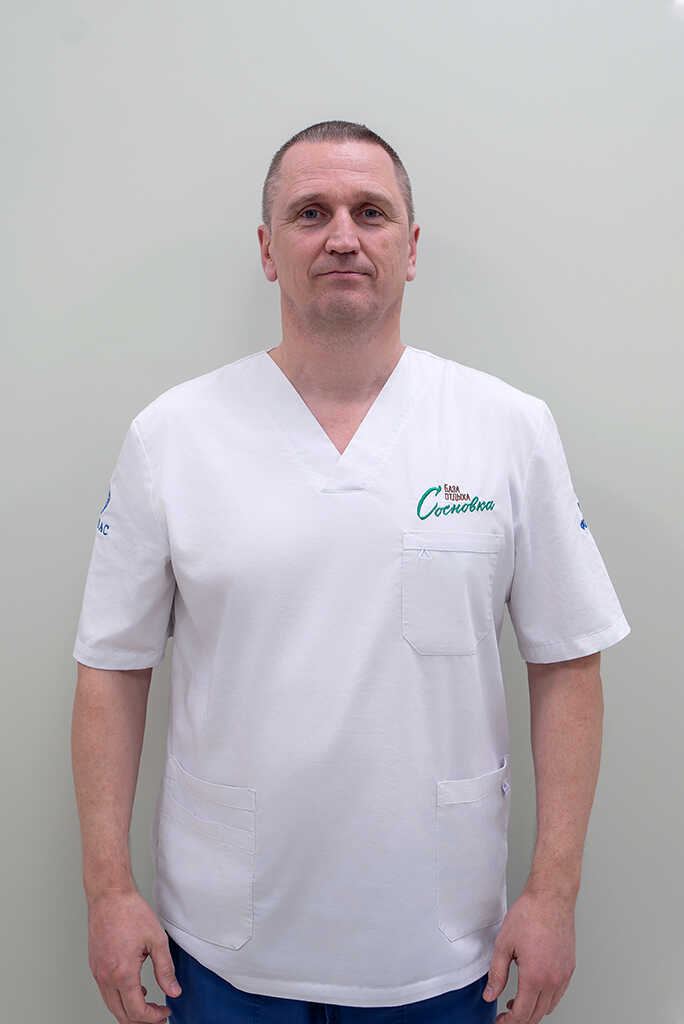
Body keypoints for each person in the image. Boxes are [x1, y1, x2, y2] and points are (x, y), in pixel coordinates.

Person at [71, 119, 631, 1024]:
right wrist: (107, 890)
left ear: (411, 248)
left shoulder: (507, 429)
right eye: (310, 213)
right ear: (267, 251)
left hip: (442, 947)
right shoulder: (172, 436)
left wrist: (554, 892)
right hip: (220, 945)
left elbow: (568, 659)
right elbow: (111, 668)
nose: (342, 236)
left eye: (371, 212)